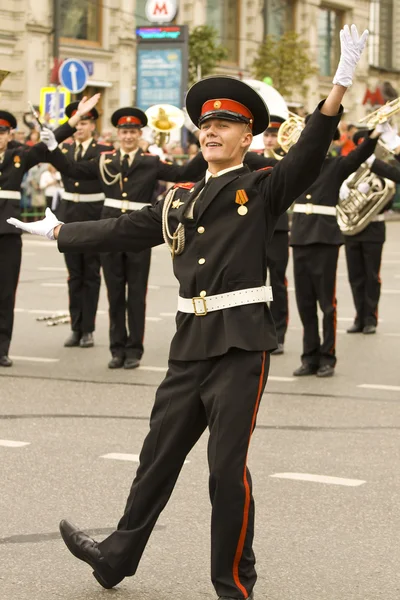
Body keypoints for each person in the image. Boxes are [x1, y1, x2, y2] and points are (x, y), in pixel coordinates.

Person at [8, 24, 366, 598]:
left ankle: (232, 583)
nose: (211, 131)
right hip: (189, 343)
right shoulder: (178, 199)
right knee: (157, 457)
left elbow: (305, 157)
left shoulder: (262, 188)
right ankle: (115, 558)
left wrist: (338, 87)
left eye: (224, 124)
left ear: (248, 135)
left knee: (226, 471)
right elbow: (123, 229)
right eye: (206, 125)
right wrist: (58, 231)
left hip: (241, 344)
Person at [43, 107, 209, 369]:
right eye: (124, 131)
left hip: (139, 233)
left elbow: (184, 174)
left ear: (139, 133)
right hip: (111, 231)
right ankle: (116, 348)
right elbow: (72, 170)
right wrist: (53, 146)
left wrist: (204, 142)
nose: (128, 136)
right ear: (117, 134)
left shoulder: (151, 162)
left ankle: (134, 349)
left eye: (132, 131)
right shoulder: (104, 160)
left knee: (136, 293)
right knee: (115, 292)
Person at [0, 95, 99, 367]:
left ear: (10, 135)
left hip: (7, 235)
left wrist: (74, 119)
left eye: (2, 132)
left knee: (5, 294)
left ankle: (2, 348)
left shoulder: (17, 157)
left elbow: (46, 145)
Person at [290, 117, 386, 378]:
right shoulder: (296, 165)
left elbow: (358, 155)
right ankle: (309, 356)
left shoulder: (334, 166)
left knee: (326, 303)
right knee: (305, 303)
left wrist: (375, 135)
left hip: (325, 239)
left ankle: (327, 357)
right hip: (299, 238)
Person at [57, 101, 111, 349]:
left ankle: (87, 329)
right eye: (76, 123)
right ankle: (75, 327)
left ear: (93, 125)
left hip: (93, 215)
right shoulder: (64, 150)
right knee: (74, 275)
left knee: (91, 274)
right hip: (69, 214)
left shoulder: (103, 151)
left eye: (85, 122)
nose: (80, 127)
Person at [343, 129, 400, 334]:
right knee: (355, 276)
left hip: (374, 226)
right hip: (352, 227)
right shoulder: (349, 167)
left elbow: (397, 176)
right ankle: (359, 316)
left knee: (371, 275)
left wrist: (373, 163)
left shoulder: (383, 167)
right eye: (359, 146)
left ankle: (370, 318)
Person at [262, 116, 289, 355]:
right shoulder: (254, 159)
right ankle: (259, 333)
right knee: (254, 284)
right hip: (256, 229)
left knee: (278, 284)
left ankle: (279, 334)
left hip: (279, 229)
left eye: (274, 135)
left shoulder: (287, 160)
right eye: (267, 135)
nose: (270, 140)